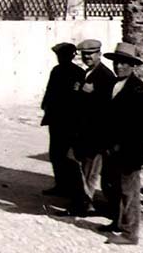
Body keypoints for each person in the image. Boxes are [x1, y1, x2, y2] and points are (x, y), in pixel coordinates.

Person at [96, 41, 143, 246]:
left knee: (128, 191)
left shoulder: (138, 90)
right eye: (116, 63)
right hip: (111, 149)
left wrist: (131, 144)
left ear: (133, 65)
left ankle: (130, 232)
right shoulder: (114, 85)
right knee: (112, 186)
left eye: (124, 63)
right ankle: (117, 222)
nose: (119, 67)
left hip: (129, 152)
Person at [71, 37, 117, 217]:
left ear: (99, 54)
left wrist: (91, 94)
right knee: (84, 168)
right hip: (86, 131)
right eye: (84, 54)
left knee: (91, 171)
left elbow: (108, 105)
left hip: (95, 133)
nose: (87, 57)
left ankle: (85, 205)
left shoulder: (104, 75)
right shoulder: (88, 73)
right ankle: (84, 202)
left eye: (91, 54)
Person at [40, 41, 83, 199]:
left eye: (62, 55)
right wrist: (45, 106)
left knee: (67, 156)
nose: (60, 58)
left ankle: (69, 187)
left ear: (70, 56)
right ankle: (60, 184)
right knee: (55, 154)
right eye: (59, 55)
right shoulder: (56, 71)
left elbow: (77, 97)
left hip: (69, 120)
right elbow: (50, 91)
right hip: (55, 118)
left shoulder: (77, 73)